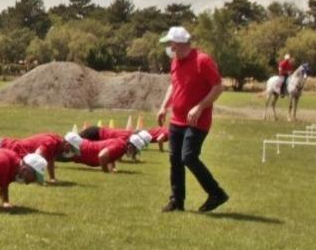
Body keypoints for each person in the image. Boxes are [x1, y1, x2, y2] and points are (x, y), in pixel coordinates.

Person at [157, 26, 229, 213]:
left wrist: (200, 106)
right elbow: (174, 86)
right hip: (177, 120)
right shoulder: (175, 62)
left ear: (180, 44)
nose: (169, 48)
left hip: (197, 121)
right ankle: (177, 200)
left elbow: (218, 87)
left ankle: (216, 193)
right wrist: (164, 106)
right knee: (175, 160)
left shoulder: (202, 61)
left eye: (171, 44)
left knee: (188, 157)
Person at [68, 131, 146, 172]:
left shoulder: (121, 145)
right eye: (135, 151)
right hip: (83, 151)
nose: (134, 153)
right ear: (130, 146)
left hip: (84, 149)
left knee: (58, 154)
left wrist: (112, 168)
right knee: (58, 154)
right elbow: (102, 156)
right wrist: (106, 171)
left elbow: (111, 155)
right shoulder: (120, 147)